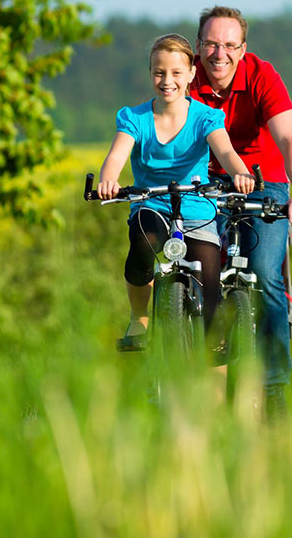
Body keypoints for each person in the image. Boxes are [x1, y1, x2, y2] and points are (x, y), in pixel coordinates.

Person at [189, 6, 292, 419]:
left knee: (265, 274)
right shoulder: (184, 76)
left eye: (229, 45)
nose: (218, 53)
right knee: (192, 271)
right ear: (198, 46)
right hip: (203, 183)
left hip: (265, 184)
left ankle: (274, 385)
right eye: (210, 43)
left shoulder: (262, 77)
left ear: (243, 49)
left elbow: (290, 139)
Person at [96, 34, 255, 351]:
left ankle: (212, 336)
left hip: (197, 207)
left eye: (176, 73)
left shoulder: (206, 117)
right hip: (150, 203)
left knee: (209, 269)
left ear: (192, 74)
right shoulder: (134, 118)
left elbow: (225, 153)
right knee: (141, 244)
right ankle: (138, 318)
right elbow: (116, 157)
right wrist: (108, 180)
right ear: (150, 73)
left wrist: (241, 174)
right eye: (159, 72)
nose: (167, 80)